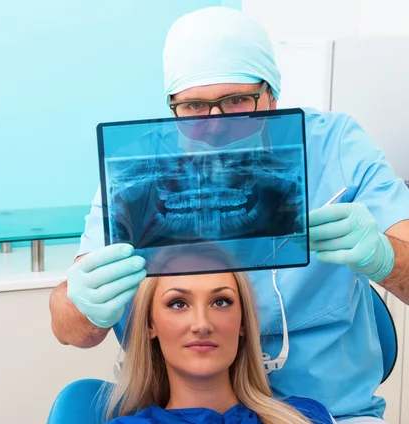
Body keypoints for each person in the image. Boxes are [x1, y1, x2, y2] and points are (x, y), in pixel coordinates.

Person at [49, 6, 409, 423]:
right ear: (172, 107)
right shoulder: (136, 171)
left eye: (237, 101)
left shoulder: (338, 149)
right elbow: (67, 326)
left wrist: (384, 256)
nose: (215, 125)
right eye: (194, 108)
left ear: (272, 93)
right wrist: (84, 306)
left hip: (332, 412)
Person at [102, 259, 334, 424]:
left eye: (221, 302)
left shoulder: (306, 416)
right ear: (151, 324)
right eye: (178, 303)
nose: (202, 325)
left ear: (243, 322)